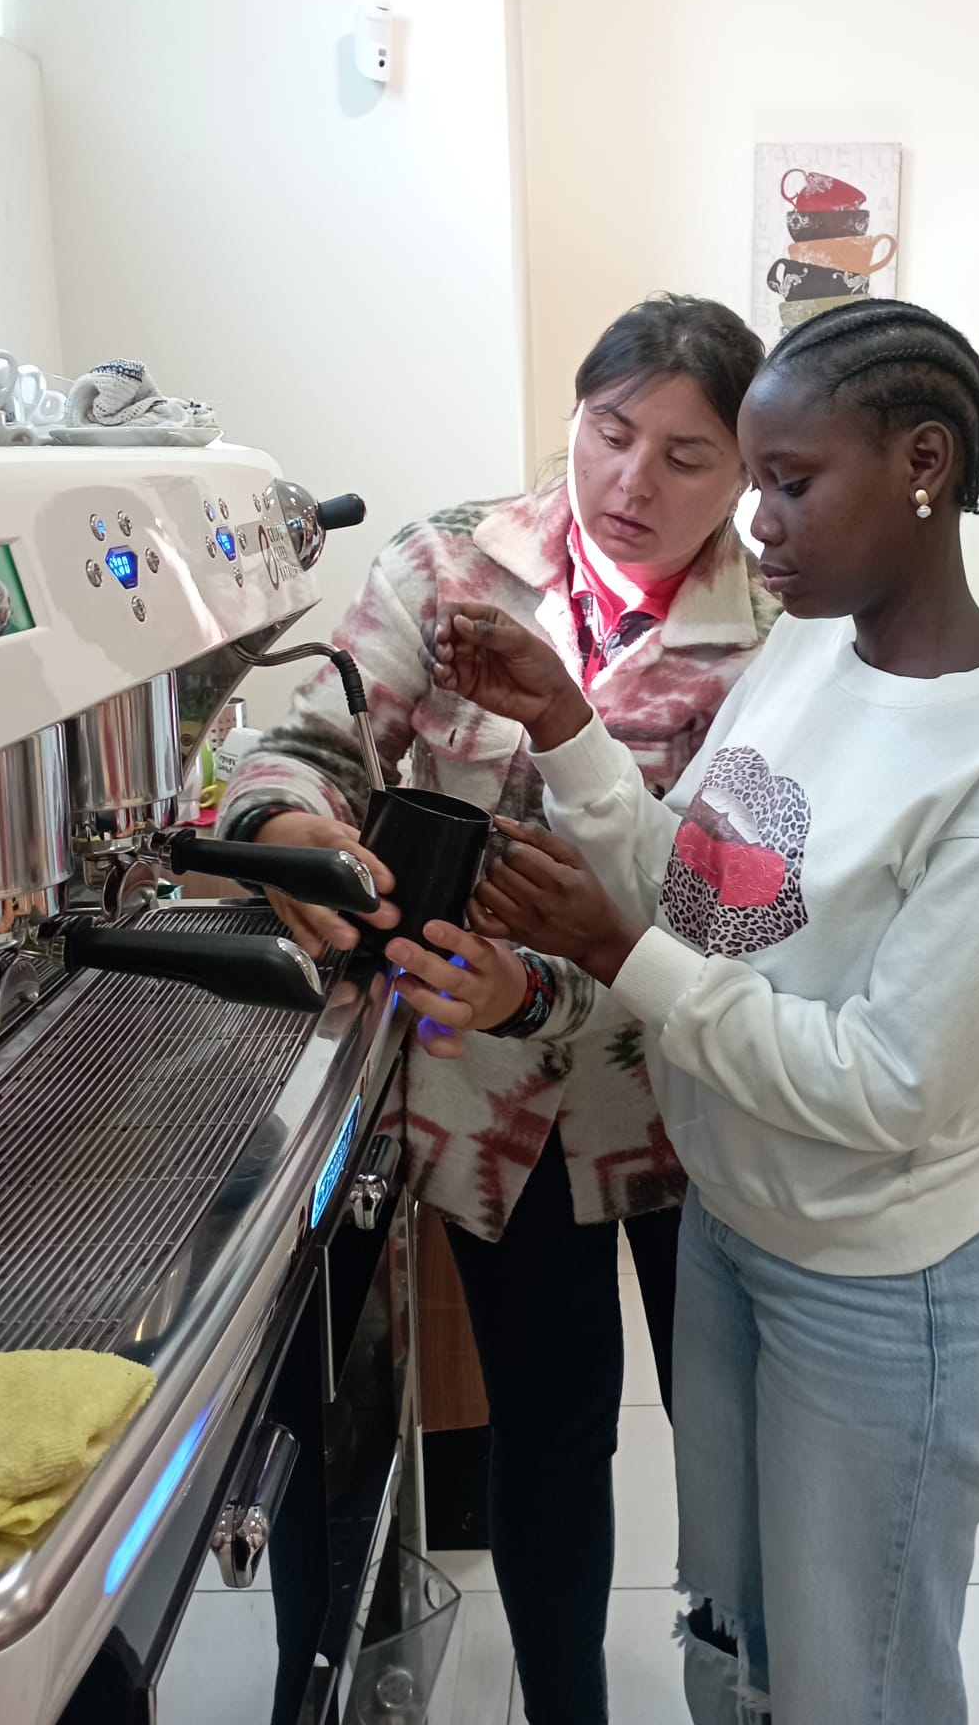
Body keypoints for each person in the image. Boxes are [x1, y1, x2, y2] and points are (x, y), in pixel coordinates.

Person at [417, 298, 979, 1724]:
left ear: (925, 463)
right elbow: (703, 890)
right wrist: (568, 729)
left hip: (881, 1285)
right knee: (739, 1646)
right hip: (738, 1227)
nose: (756, 525)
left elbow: (883, 1086)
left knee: (852, 1681)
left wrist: (615, 952)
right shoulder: (815, 650)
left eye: (785, 484)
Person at [219, 293, 778, 1725]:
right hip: (499, 1111)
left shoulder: (779, 618)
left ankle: (749, 1687)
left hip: (700, 1095)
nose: (635, 483)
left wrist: (549, 977)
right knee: (550, 1435)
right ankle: (566, 1706)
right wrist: (292, 830)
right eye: (611, 434)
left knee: (737, 1442)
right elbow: (295, 743)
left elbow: (750, 907)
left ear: (748, 466)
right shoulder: (447, 567)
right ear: (576, 418)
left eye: (689, 456)